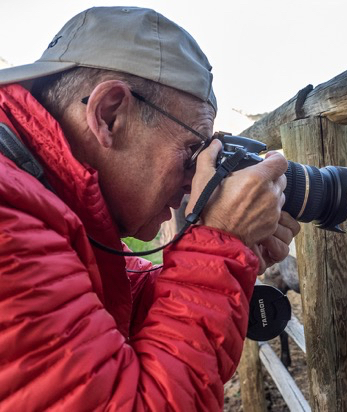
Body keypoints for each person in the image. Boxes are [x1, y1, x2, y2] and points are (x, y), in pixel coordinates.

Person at [0, 6, 299, 411]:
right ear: (109, 115)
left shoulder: (39, 192)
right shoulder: (10, 212)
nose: (194, 182)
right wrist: (220, 243)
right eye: (193, 151)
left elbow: (95, 313)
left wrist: (228, 262)